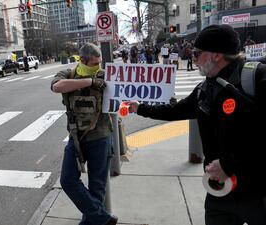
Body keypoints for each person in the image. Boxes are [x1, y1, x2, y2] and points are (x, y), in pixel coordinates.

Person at [126, 24, 266, 225]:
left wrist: (229, 165)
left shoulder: (256, 78)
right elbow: (176, 111)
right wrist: (140, 108)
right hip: (219, 189)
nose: (192, 58)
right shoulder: (205, 88)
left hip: (258, 189)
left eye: (197, 53)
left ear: (216, 55)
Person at [51, 43, 117, 225]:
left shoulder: (106, 75)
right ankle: (103, 219)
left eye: (99, 63)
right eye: (94, 63)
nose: (97, 67)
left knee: (97, 189)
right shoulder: (69, 74)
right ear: (82, 60)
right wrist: (90, 81)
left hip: (101, 138)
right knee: (68, 180)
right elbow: (57, 87)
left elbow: (129, 91)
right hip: (76, 138)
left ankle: (97, 221)